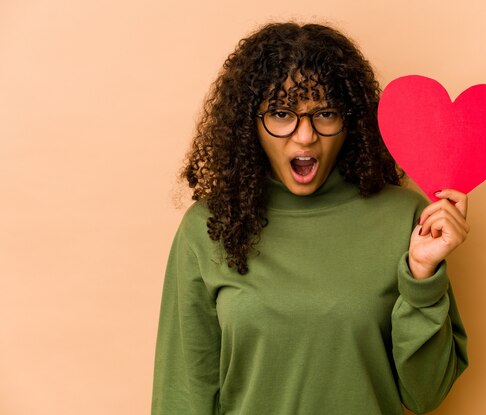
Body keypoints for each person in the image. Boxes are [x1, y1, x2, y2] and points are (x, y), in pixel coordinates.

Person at [151, 22, 469, 415]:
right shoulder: (210, 226)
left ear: (350, 121)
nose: (305, 136)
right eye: (282, 113)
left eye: (325, 113)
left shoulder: (407, 219)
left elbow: (426, 395)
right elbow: (183, 392)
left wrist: (422, 274)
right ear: (250, 122)